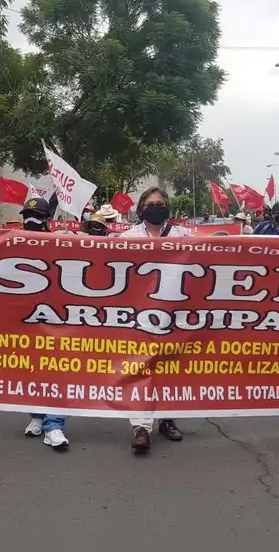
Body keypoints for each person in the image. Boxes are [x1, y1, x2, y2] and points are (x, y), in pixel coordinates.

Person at [117, 187, 190, 453]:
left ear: (167, 207)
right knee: (140, 367)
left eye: (160, 203)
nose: (156, 207)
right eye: (151, 204)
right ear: (141, 209)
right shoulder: (128, 237)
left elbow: (211, 254)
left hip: (175, 313)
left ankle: (167, 420)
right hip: (139, 314)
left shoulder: (184, 236)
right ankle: (141, 427)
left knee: (169, 367)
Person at [18, 197, 70, 451]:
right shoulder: (12, 242)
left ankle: (54, 425)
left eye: (37, 216)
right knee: (30, 370)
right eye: (27, 215)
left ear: (47, 219)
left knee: (55, 370)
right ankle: (37, 416)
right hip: (24, 320)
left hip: (55, 319)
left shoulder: (61, 243)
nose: (31, 220)